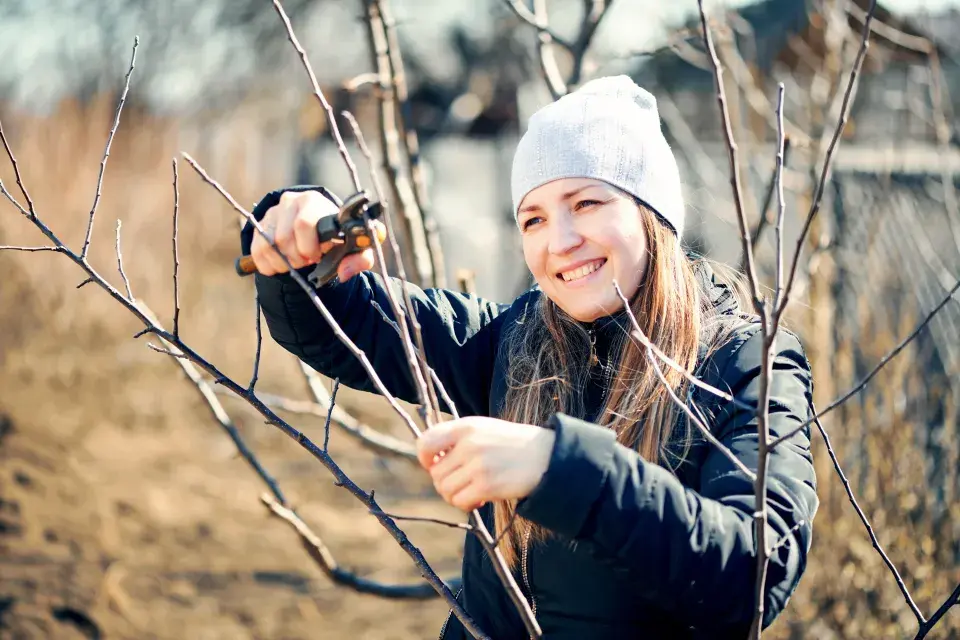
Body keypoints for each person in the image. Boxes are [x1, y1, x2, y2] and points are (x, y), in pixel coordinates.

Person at [240, 76, 818, 639]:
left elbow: (752, 578)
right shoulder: (513, 338)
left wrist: (561, 469)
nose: (559, 240)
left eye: (587, 202)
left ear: (652, 214)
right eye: (534, 219)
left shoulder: (744, 362)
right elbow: (350, 323)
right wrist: (299, 252)